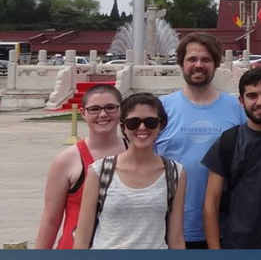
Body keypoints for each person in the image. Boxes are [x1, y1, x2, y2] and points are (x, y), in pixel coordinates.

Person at [156, 33, 249, 249]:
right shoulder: (161, 109)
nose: (199, 65)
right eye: (192, 59)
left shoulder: (235, 109)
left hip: (225, 227)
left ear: (216, 64)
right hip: (173, 229)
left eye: (206, 59)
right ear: (181, 63)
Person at [72, 93, 187, 249]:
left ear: (161, 125)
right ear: (123, 126)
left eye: (150, 122)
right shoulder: (100, 171)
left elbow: (176, 237)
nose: (142, 128)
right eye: (133, 123)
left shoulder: (175, 172)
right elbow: (83, 237)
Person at [201, 69, 261, 249]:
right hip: (238, 245)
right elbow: (211, 203)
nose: (260, 102)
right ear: (241, 101)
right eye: (252, 96)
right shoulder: (228, 142)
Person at [36, 84, 126, 249]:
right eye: (94, 109)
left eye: (110, 108)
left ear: (121, 110)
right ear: (82, 113)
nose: (103, 114)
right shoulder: (67, 160)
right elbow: (51, 219)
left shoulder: (136, 152)